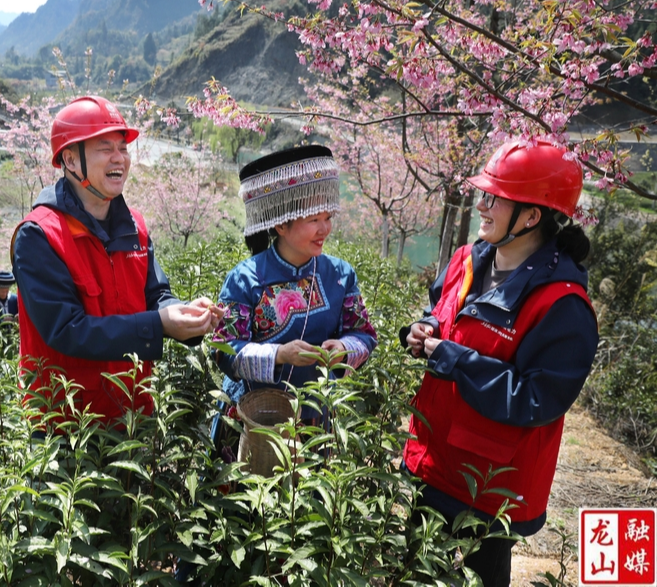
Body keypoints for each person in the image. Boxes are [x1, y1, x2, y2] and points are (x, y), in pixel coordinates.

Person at [401, 139, 598, 587]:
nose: (482, 205)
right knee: (411, 572)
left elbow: (536, 400)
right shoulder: (467, 261)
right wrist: (423, 331)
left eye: (495, 198)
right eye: (483, 194)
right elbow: (444, 314)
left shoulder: (561, 306)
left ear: (531, 217)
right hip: (432, 458)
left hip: (487, 488)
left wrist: (457, 360)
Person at [12, 95, 222, 430]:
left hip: (136, 413)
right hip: (69, 429)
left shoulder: (135, 225)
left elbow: (156, 295)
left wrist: (185, 315)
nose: (119, 158)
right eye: (104, 148)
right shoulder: (39, 235)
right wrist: (159, 325)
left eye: (123, 148)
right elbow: (67, 330)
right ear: (70, 159)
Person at [211, 145, 378, 456]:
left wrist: (344, 348)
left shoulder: (340, 275)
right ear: (281, 225)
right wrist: (278, 355)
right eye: (314, 219)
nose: (324, 228)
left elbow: (365, 335)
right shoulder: (245, 278)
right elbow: (222, 352)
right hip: (252, 421)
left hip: (314, 422)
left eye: (328, 217)